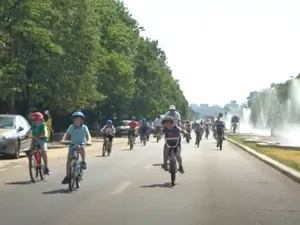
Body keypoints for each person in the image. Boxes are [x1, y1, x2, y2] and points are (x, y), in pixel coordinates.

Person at [60, 111, 92, 184]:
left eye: (78, 120)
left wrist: (89, 141)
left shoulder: (84, 127)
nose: (77, 121)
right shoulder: (71, 127)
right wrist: (63, 139)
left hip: (81, 143)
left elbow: (88, 135)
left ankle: (83, 161)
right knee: (68, 160)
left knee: (82, 148)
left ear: (82, 121)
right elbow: (66, 133)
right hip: (73, 144)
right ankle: (68, 176)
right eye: (75, 120)